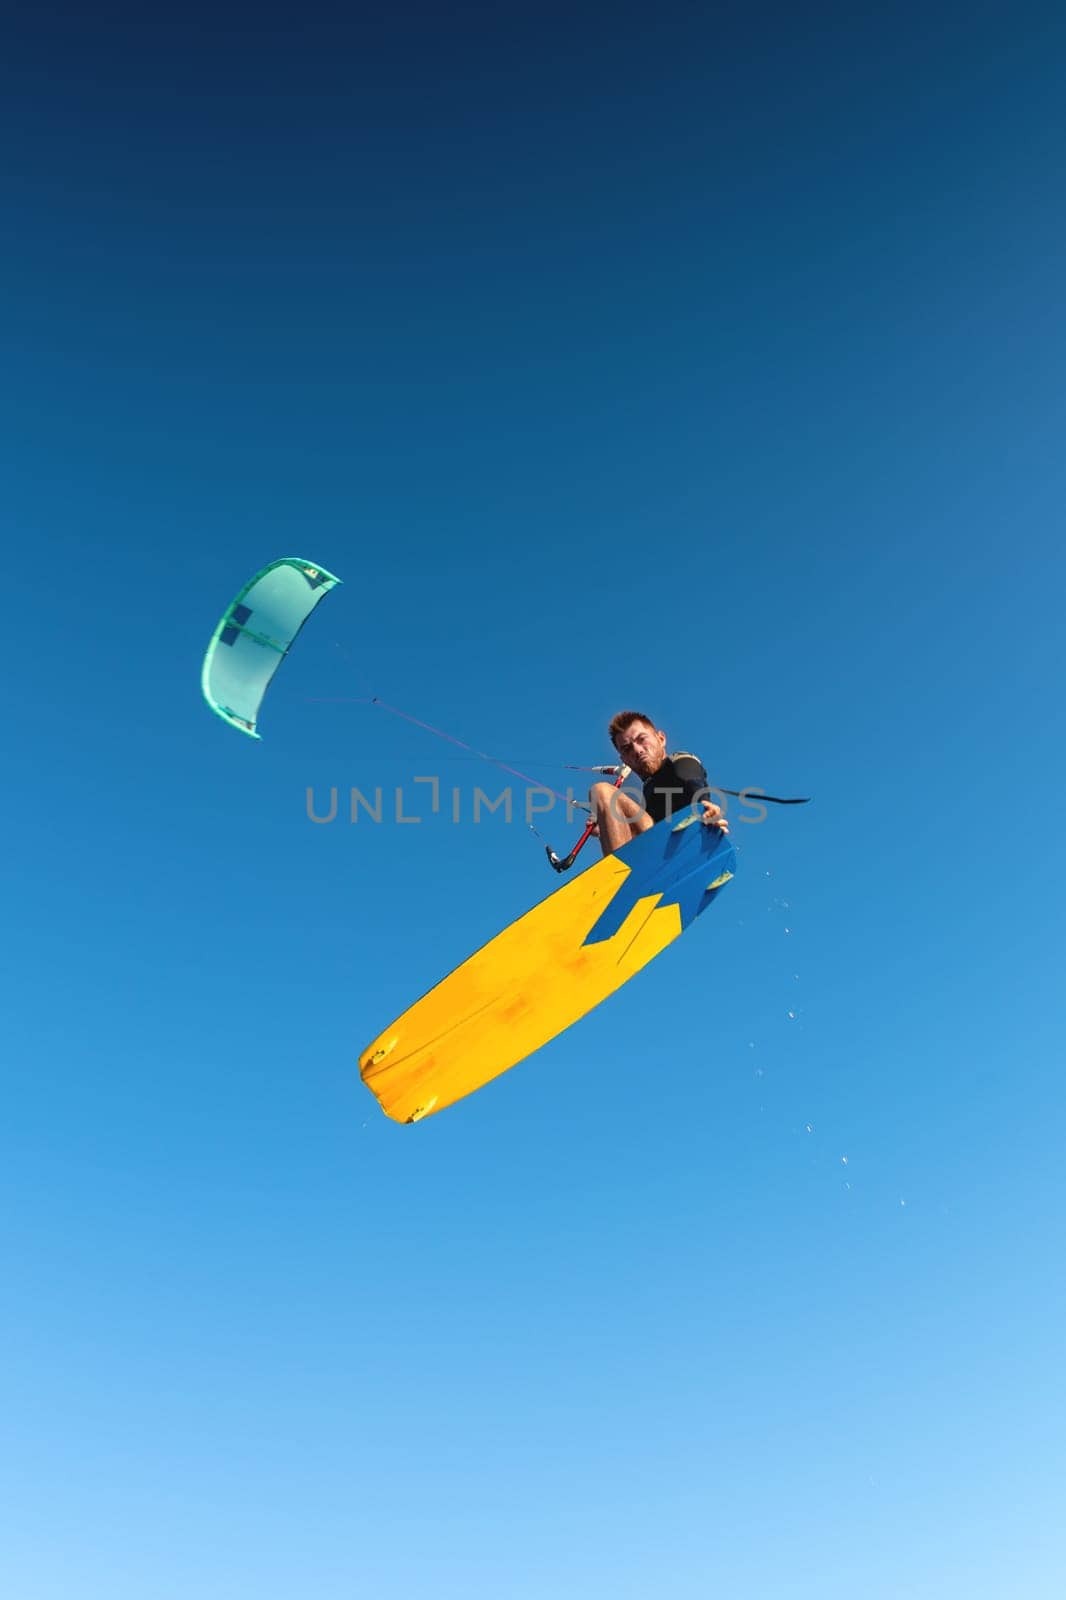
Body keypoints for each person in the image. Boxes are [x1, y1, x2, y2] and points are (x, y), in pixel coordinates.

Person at [589, 710, 729, 857]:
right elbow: (642, 836)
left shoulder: (678, 761)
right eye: (627, 749)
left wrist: (704, 804)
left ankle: (617, 874)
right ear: (624, 760)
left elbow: (691, 776)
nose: (637, 750)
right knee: (610, 805)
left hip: (691, 837)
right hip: (663, 850)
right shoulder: (648, 791)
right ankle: (622, 872)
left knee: (602, 790)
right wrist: (606, 828)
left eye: (641, 739)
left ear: (661, 739)